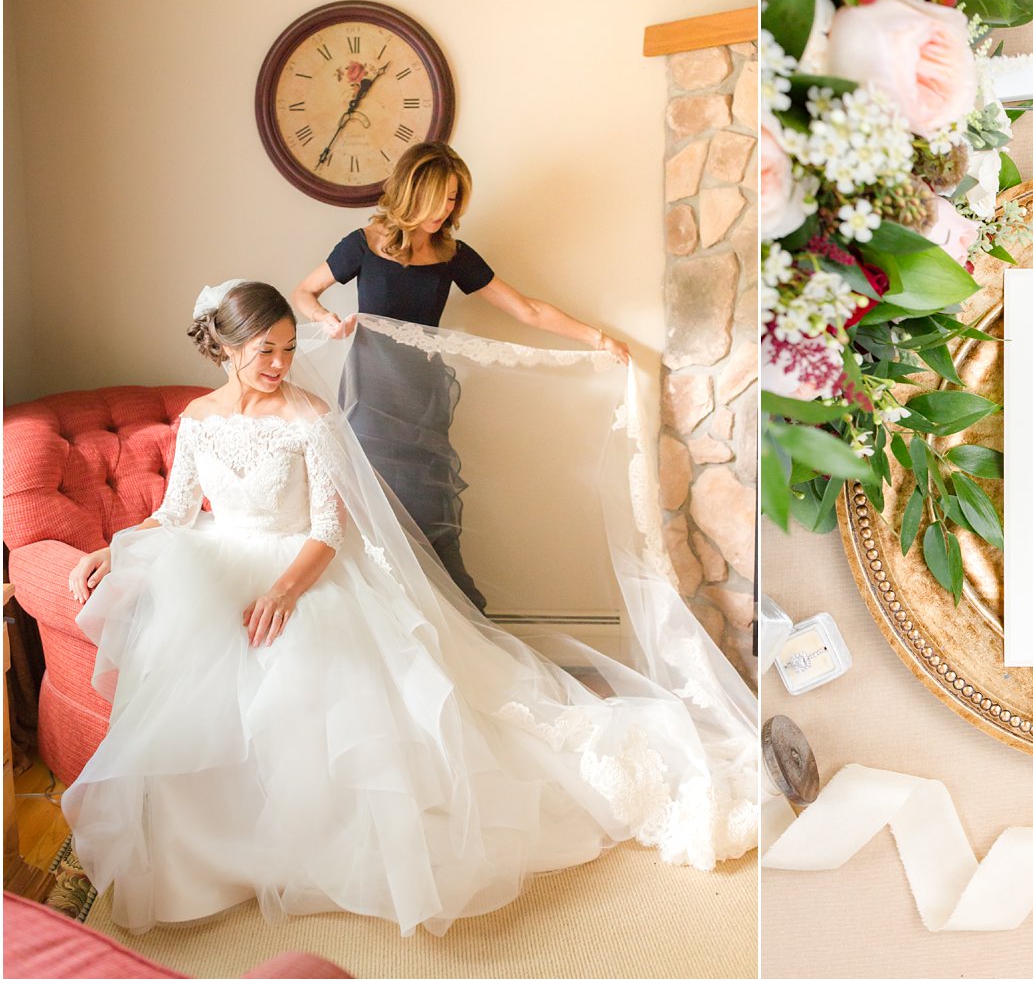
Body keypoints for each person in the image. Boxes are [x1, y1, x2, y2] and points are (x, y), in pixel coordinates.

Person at [63, 281, 756, 937]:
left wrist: (283, 591)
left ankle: (318, 847)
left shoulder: (311, 416)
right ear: (226, 346)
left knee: (303, 677)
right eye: (264, 349)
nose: (279, 362)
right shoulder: (198, 421)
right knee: (190, 657)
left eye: (286, 347)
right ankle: (222, 854)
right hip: (221, 562)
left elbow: (330, 531)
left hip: (301, 569)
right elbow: (177, 512)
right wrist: (115, 550)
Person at [292, 141, 629, 611]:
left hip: (425, 396)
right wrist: (326, 320)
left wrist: (599, 339)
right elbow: (304, 292)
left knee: (431, 509)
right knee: (376, 508)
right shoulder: (363, 245)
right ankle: (384, 622)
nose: (445, 209)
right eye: (438, 198)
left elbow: (526, 309)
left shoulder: (452, 253)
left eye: (453, 198)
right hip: (370, 396)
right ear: (411, 193)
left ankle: (455, 622)